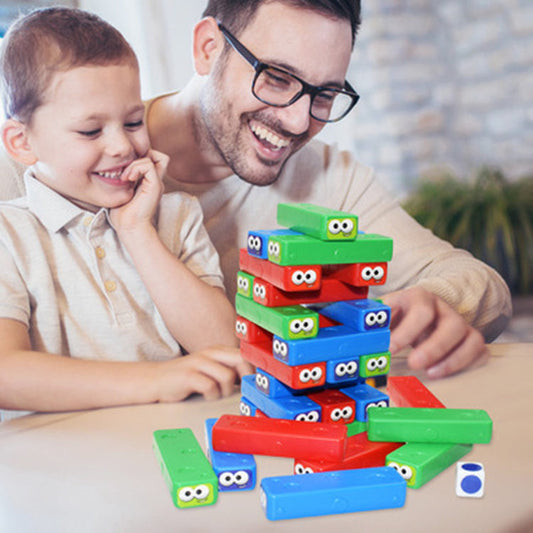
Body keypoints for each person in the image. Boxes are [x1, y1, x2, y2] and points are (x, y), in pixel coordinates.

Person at [0, 1, 512, 381]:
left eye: (325, 93)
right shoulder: (29, 170)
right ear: (208, 47)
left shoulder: (330, 178)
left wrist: (439, 304)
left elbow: (477, 282)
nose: (297, 120)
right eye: (277, 77)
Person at [0, 7, 252, 420]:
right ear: (22, 141)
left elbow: (224, 346)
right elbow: (5, 374)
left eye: (133, 121)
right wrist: (155, 381)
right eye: (91, 131)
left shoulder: (175, 216)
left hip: (173, 444)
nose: (121, 146)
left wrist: (137, 231)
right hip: (60, 465)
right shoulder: (8, 234)